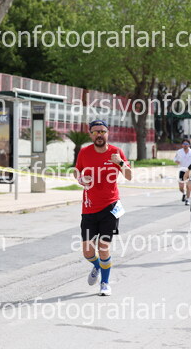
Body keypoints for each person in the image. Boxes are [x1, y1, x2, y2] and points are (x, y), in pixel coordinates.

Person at [75, 120, 132, 296]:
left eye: (102, 131)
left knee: (103, 247)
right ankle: (98, 266)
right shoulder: (84, 152)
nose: (99, 135)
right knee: (87, 251)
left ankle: (105, 283)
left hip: (110, 207)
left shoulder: (116, 152)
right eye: (95, 132)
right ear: (90, 134)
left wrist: (120, 163)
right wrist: (80, 179)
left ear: (108, 133)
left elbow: (129, 176)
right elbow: (77, 171)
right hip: (89, 208)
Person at [174, 139, 191, 206]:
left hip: (189, 171)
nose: (185, 145)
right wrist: (176, 161)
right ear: (182, 145)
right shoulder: (179, 152)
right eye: (184, 144)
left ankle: (187, 199)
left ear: (189, 145)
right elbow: (175, 159)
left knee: (188, 186)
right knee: (181, 187)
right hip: (182, 170)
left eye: (187, 144)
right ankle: (184, 193)